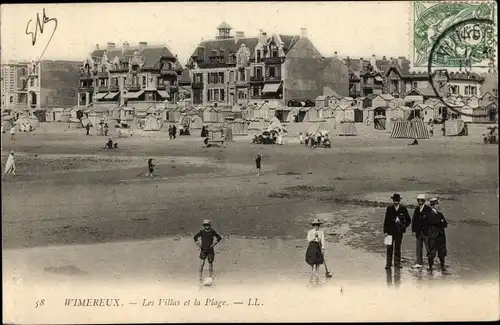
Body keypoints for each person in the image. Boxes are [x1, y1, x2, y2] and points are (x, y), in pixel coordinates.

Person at [383, 193, 411, 269]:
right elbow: (386, 220)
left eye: (397, 200)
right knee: (389, 248)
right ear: (393, 200)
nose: (395, 202)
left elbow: (408, 220)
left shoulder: (403, 209)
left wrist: (403, 227)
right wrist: (385, 231)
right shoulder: (389, 208)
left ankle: (397, 263)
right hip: (390, 232)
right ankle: (388, 264)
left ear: (399, 201)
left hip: (399, 232)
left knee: (397, 248)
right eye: (394, 200)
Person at [427, 198, 450, 274]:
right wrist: (441, 221)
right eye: (436, 204)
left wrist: (440, 222)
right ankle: (430, 268)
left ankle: (443, 267)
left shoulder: (440, 214)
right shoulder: (429, 214)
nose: (438, 206)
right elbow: (435, 222)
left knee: (442, 252)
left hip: (441, 236)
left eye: (437, 204)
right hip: (433, 237)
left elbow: (445, 224)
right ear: (433, 205)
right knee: (432, 253)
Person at [411, 194, 432, 269]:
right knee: (418, 248)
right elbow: (414, 220)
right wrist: (413, 230)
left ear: (424, 201)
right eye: (418, 201)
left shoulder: (428, 209)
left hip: (426, 232)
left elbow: (430, 221)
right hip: (418, 232)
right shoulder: (417, 209)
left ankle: (430, 264)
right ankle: (419, 263)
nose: (419, 202)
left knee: (428, 248)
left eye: (421, 201)